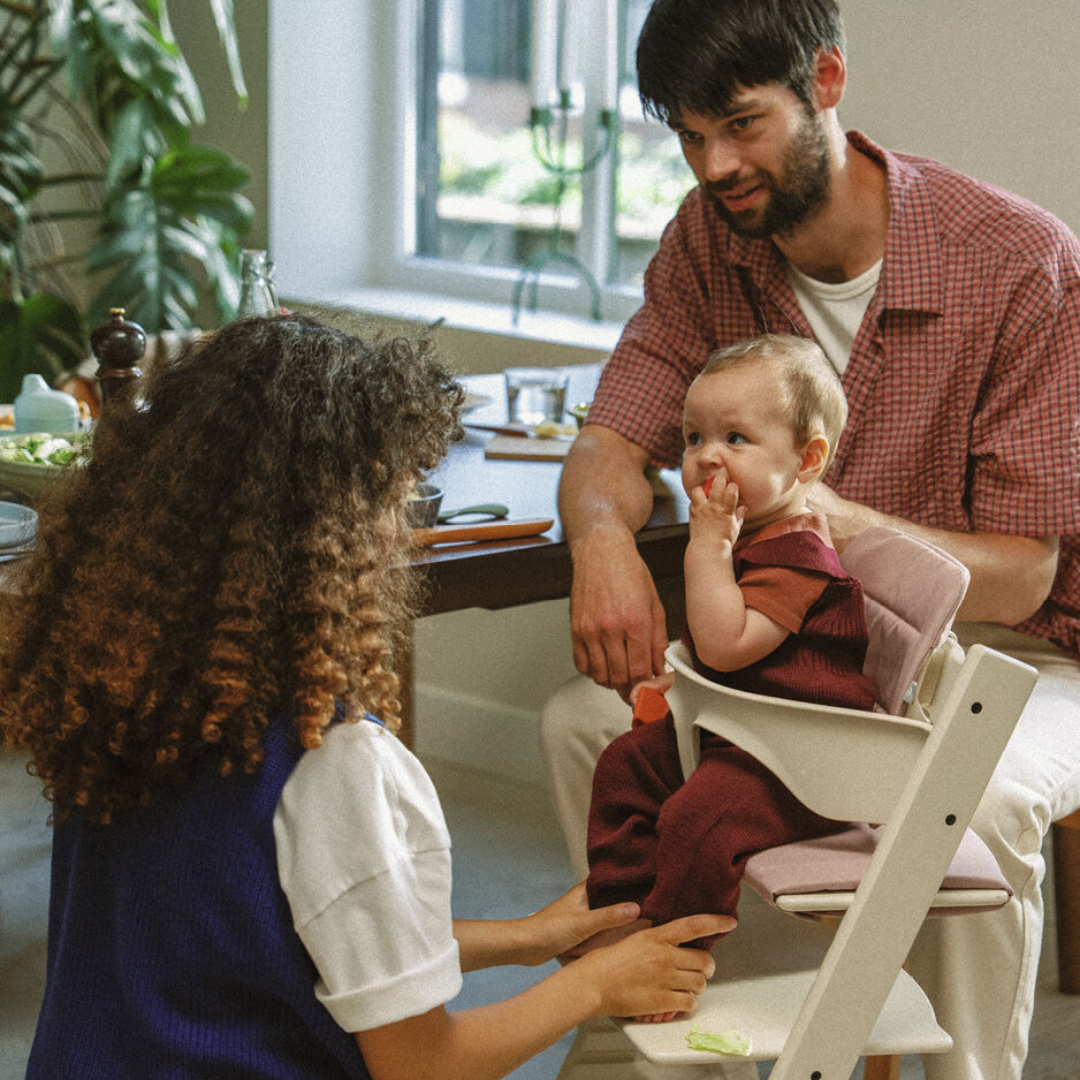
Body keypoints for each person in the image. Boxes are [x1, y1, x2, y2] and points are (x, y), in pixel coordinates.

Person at [542, 2, 1080, 1079]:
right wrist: (601, 538)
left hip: (1012, 655)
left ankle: (959, 1071)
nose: (715, 164)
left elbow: (1026, 577)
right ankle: (707, 1042)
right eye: (691, 136)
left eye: (742, 124)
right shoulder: (708, 242)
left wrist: (837, 521)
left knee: (977, 795)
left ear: (826, 80)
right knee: (581, 724)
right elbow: (612, 439)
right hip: (799, 652)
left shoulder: (1018, 263)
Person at [0, 314, 733, 1079]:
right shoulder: (335, 760)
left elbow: (285, 935)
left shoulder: (125, 696)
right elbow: (422, 1066)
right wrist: (594, 983)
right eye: (401, 490)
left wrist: (526, 938)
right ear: (343, 527)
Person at [584, 336, 875, 1020]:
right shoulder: (752, 532)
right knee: (626, 765)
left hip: (806, 760)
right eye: (694, 436)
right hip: (747, 733)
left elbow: (724, 644)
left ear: (808, 460)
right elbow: (712, 659)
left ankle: (673, 961)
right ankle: (624, 915)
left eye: (736, 437)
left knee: (698, 819)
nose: (706, 455)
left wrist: (707, 546)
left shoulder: (799, 553)